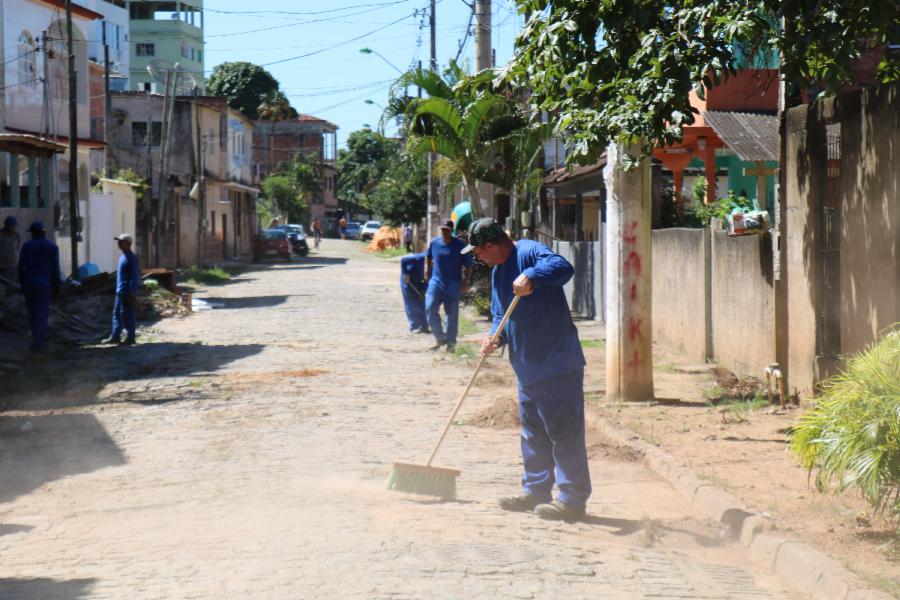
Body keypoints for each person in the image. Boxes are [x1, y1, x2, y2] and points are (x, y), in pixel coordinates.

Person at [465, 217, 591, 521]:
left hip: (557, 363)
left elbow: (563, 268)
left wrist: (532, 276)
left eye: (479, 251)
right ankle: (536, 490)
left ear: (492, 245)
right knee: (533, 433)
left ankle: (572, 499)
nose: (477, 258)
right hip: (528, 369)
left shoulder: (529, 251)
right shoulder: (497, 274)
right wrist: (493, 337)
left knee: (564, 433)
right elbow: (500, 315)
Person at [425, 219, 472, 353]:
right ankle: (440, 339)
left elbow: (468, 265)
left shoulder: (460, 245)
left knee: (451, 314)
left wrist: (465, 282)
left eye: (447, 230)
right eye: (443, 230)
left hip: (453, 285)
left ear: (452, 231)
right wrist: (426, 270)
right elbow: (428, 257)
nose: (444, 232)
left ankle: (451, 344)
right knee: (429, 308)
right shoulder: (434, 243)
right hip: (436, 283)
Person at [17, 221, 60, 352]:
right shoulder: (52, 247)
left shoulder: (26, 246)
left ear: (33, 234)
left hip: (29, 282)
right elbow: (55, 269)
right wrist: (57, 286)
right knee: (42, 313)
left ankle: (36, 340)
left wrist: (22, 284)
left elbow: (20, 268)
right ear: (44, 232)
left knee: (32, 313)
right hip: (44, 283)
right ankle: (39, 342)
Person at [102, 233, 140, 346]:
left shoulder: (131, 258)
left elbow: (134, 276)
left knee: (128, 314)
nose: (118, 243)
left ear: (127, 244)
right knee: (117, 314)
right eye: (118, 241)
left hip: (127, 292)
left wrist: (132, 291)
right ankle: (115, 336)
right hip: (120, 291)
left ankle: (130, 337)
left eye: (121, 241)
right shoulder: (122, 257)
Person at [400, 252, 429, 334]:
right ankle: (414, 326)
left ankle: (424, 326)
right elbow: (403, 262)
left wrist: (423, 291)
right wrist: (405, 274)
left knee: (422, 303)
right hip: (408, 282)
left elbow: (429, 279)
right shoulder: (411, 260)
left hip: (420, 282)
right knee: (411, 304)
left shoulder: (434, 265)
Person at [0, 215, 21, 281]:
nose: (13, 228)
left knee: (12, 284)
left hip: (13, 265)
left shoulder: (16, 235)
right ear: (6, 225)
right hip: (2, 265)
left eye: (14, 226)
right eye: (11, 226)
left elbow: (17, 248)